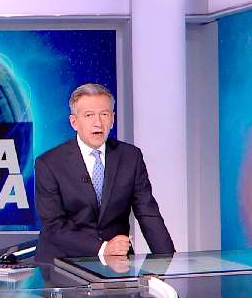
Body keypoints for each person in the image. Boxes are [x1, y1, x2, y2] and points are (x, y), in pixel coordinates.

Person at [35, 83, 175, 263]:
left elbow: (148, 214)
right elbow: (54, 225)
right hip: (62, 264)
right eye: (89, 115)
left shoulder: (130, 157)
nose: (98, 123)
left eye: (104, 114)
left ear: (112, 119)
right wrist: (102, 248)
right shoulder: (49, 163)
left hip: (116, 263)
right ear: (74, 122)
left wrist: (170, 262)